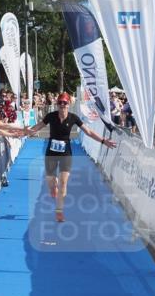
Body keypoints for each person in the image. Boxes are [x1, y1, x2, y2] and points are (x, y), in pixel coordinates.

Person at [23, 92, 115, 222]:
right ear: (57, 104)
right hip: (51, 153)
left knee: (63, 183)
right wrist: (27, 131)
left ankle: (59, 210)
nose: (62, 105)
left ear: (68, 104)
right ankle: (52, 188)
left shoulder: (73, 118)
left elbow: (88, 132)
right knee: (50, 182)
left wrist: (103, 140)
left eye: (64, 103)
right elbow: (37, 127)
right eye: (60, 103)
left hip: (66, 154)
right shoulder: (51, 116)